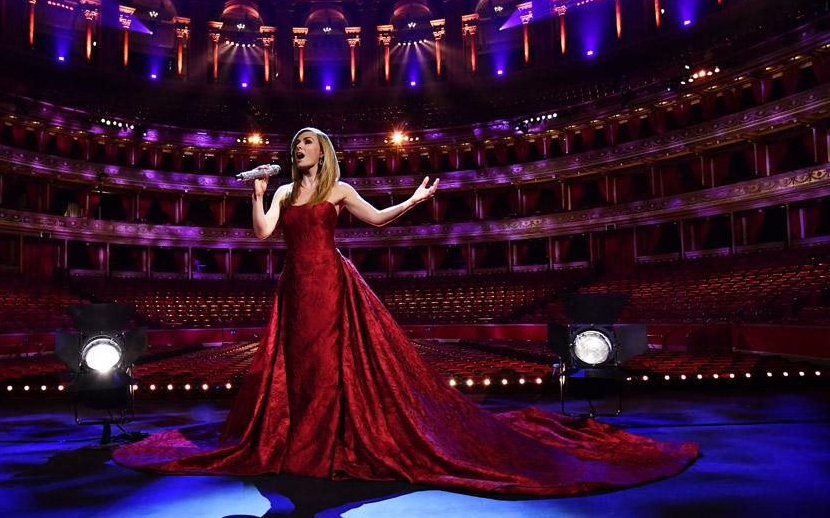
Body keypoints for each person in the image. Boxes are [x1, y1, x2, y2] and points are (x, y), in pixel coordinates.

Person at [113, 127, 697, 495]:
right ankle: (297, 443)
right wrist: (258, 192)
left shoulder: (337, 191)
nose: (299, 150)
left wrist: (414, 200)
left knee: (332, 365)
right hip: (295, 287)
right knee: (299, 368)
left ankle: (326, 448)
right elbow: (265, 235)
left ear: (325, 153)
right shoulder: (285, 192)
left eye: (307, 144)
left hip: (332, 284)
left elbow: (375, 220)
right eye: (295, 146)